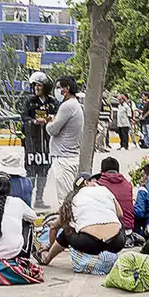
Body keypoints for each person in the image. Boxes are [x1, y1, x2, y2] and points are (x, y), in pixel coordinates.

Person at [37, 174, 126, 265]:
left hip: (89, 244)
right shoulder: (105, 190)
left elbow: (53, 227)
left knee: (68, 230)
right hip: (116, 242)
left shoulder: (73, 199)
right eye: (93, 180)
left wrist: (50, 247)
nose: (97, 182)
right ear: (86, 182)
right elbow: (120, 214)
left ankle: (47, 259)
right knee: (119, 222)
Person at [20, 71, 58, 209]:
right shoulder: (29, 102)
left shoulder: (53, 102)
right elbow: (24, 117)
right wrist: (35, 121)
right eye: (35, 85)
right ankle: (28, 199)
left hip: (47, 142)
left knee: (44, 171)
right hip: (32, 143)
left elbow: (58, 116)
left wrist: (51, 119)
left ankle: (39, 199)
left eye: (39, 85)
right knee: (31, 171)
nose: (36, 88)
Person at [45, 76, 83, 208]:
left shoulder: (67, 106)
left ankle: (69, 227)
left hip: (64, 159)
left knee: (65, 200)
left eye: (58, 87)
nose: (56, 91)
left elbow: (53, 129)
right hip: (70, 156)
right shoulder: (74, 105)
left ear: (66, 89)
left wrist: (49, 122)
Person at [95, 157, 135, 231]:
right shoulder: (128, 185)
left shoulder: (98, 185)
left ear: (102, 170)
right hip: (128, 228)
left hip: (108, 230)